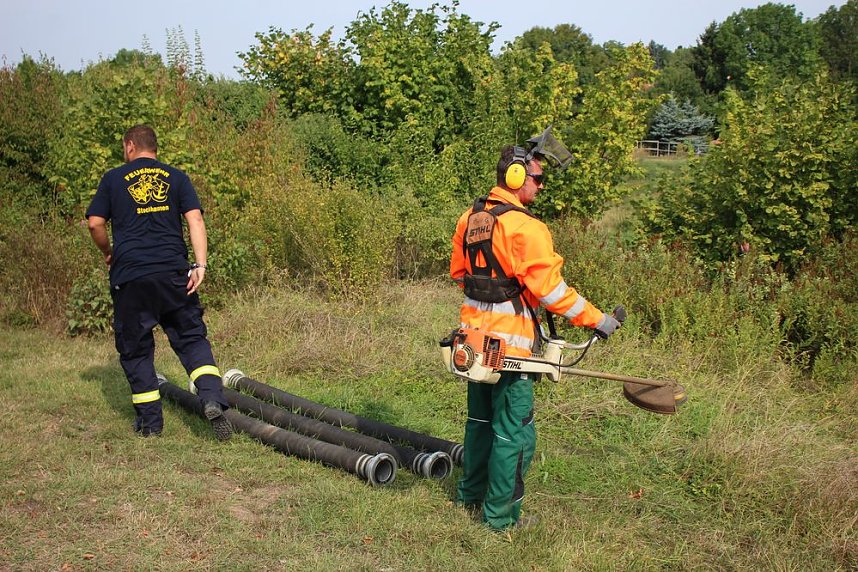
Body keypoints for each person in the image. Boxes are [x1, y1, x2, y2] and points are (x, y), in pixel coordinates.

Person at [449, 132, 621, 531]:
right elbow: (553, 293)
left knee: (479, 425)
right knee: (515, 435)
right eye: (538, 179)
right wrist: (598, 320)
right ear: (515, 176)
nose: (541, 186)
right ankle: (500, 520)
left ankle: (469, 497)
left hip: (474, 342)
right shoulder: (527, 228)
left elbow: (461, 275)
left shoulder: (470, 218)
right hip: (513, 350)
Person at [86, 124, 232, 440]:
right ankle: (211, 397)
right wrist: (200, 264)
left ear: (129, 146)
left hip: (131, 276)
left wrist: (108, 252)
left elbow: (95, 222)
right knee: (191, 338)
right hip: (174, 274)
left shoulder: (113, 179)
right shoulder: (177, 177)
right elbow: (195, 220)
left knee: (136, 350)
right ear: (155, 148)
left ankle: (151, 426)